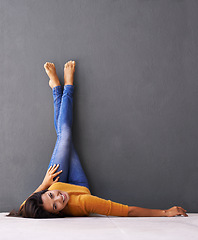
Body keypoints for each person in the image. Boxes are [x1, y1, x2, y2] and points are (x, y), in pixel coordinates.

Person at [7, 60, 188, 218]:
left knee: (65, 137)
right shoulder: (84, 203)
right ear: (57, 213)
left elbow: (25, 207)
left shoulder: (50, 192)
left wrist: (45, 185)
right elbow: (126, 211)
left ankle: (58, 89)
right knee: (65, 136)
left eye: (51, 196)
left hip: (56, 182)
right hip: (79, 186)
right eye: (55, 206)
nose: (59, 197)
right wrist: (165, 212)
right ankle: (62, 88)